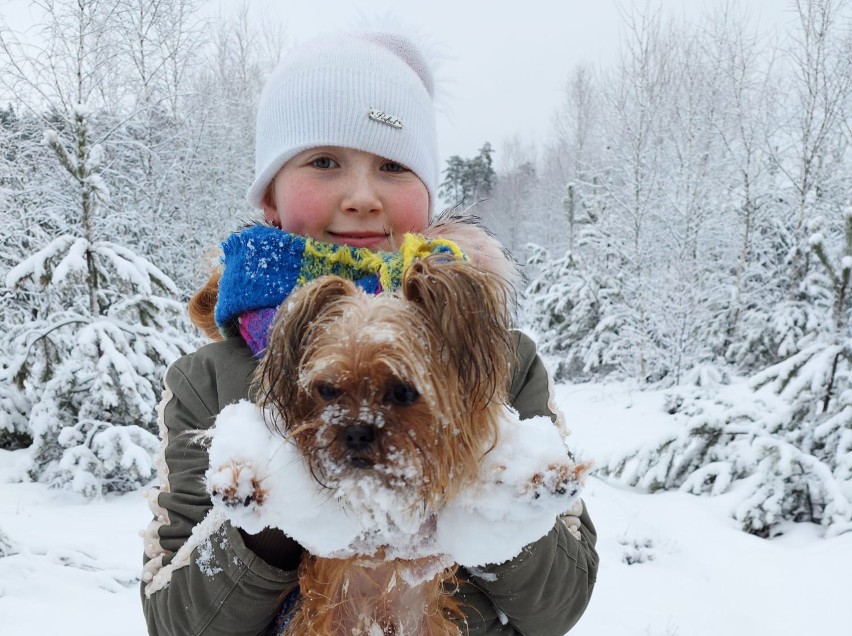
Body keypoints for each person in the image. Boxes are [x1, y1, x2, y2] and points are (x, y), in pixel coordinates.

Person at [140, 31, 598, 636]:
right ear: (271, 196)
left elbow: (559, 605)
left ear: (427, 194)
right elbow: (177, 623)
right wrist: (277, 515)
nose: (361, 197)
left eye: (393, 166)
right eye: (324, 161)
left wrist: (477, 475)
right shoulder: (209, 381)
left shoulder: (499, 360)